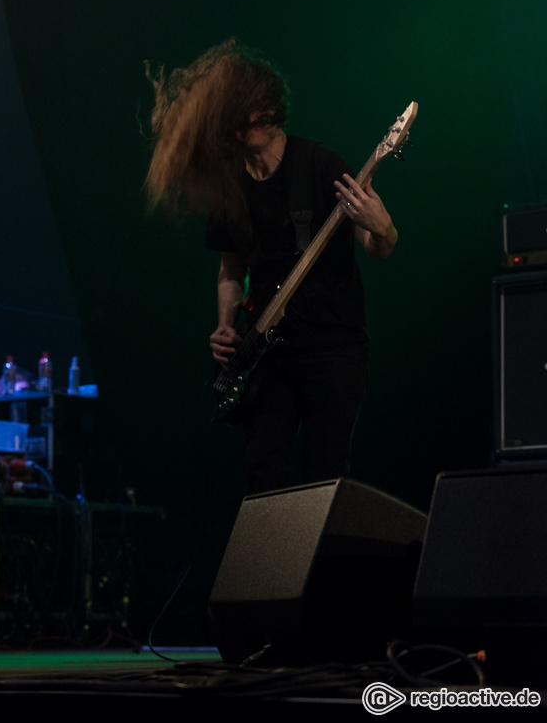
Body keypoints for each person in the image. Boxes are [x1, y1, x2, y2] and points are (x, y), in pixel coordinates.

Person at [146, 39, 397, 494]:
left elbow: (377, 246)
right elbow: (230, 268)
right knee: (265, 477)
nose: (251, 120)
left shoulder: (318, 163)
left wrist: (384, 228)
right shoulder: (231, 188)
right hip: (267, 354)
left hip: (331, 347)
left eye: (257, 108)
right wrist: (225, 324)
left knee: (323, 479)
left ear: (269, 107)